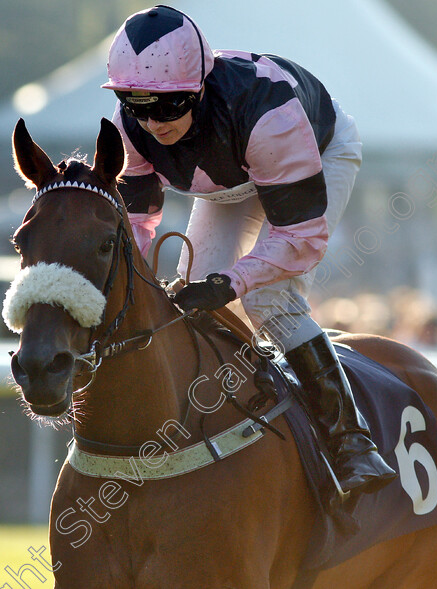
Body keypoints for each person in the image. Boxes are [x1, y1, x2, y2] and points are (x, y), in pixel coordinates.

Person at [102, 5, 396, 498]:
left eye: (169, 106)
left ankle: (352, 443)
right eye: (137, 103)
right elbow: (136, 224)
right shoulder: (130, 126)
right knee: (188, 292)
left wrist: (232, 283)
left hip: (314, 154)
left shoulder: (268, 113)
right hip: (229, 180)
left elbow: (301, 240)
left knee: (267, 299)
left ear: (197, 88)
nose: (153, 122)